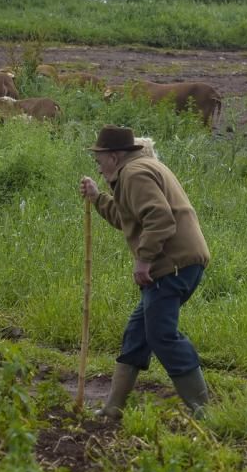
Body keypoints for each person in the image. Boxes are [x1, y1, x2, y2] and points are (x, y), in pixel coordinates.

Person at [80, 124, 210, 418]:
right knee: (137, 335)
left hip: (172, 265)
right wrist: (97, 197)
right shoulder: (136, 171)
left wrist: (144, 259)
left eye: (99, 160)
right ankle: (113, 408)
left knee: (161, 335)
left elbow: (160, 219)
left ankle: (204, 411)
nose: (98, 167)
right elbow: (128, 218)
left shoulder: (135, 174)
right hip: (179, 262)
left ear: (114, 156)